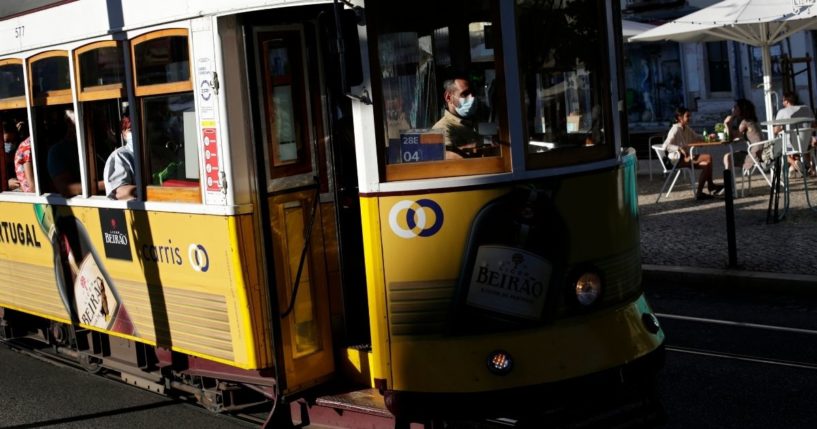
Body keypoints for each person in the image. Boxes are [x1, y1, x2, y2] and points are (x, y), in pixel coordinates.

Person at [661, 106, 723, 200]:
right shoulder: (675, 129)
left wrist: (708, 137)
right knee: (708, 157)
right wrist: (679, 148)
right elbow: (665, 146)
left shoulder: (686, 128)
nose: (690, 118)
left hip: (685, 157)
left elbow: (696, 137)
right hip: (677, 160)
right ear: (680, 118)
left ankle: (700, 192)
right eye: (688, 116)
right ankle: (710, 186)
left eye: (690, 116)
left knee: (707, 164)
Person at [432, 77, 481, 159]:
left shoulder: (473, 122)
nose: (472, 98)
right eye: (465, 94)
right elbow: (447, 159)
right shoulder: (441, 129)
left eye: (473, 93)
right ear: (448, 97)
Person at [773, 91, 816, 177]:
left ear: (787, 101)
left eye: (783, 100)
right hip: (806, 144)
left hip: (790, 146)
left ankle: (795, 164)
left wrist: (783, 127)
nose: (782, 102)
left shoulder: (782, 112)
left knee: (778, 148)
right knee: (801, 143)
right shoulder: (806, 108)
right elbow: (814, 125)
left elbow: (775, 130)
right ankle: (812, 169)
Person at [721, 99, 764, 171]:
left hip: (755, 154)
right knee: (731, 155)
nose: (733, 109)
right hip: (760, 151)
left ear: (741, 109)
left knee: (727, 157)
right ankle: (730, 181)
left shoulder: (745, 122)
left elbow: (730, 138)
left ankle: (729, 181)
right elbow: (738, 136)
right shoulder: (752, 121)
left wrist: (728, 122)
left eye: (735, 107)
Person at [46, 110, 82, 196]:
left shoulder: (102, 144)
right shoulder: (57, 151)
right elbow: (65, 188)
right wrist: (106, 185)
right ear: (70, 123)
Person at [103, 113, 136, 200]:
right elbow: (120, 192)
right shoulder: (120, 156)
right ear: (123, 133)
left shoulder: (162, 152)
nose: (138, 133)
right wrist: (152, 191)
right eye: (131, 130)